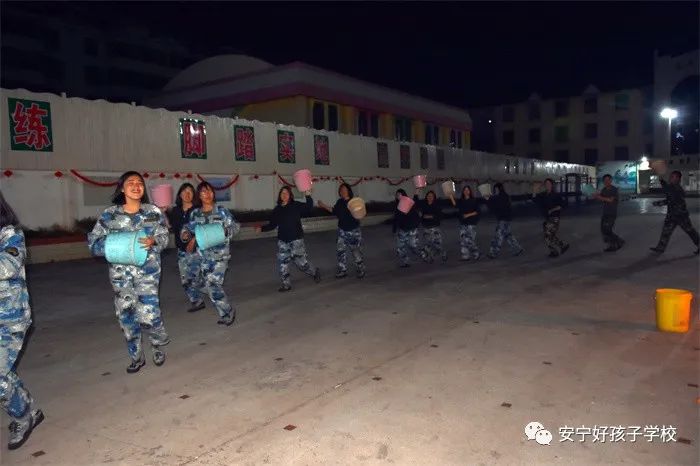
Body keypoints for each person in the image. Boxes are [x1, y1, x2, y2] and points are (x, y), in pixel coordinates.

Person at [87, 171, 170, 373]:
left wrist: (154, 241)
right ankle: (136, 356)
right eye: (130, 182)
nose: (136, 186)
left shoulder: (153, 212)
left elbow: (165, 237)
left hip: (148, 274)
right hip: (121, 277)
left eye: (139, 182)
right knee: (127, 316)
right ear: (122, 189)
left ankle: (156, 345)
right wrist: (114, 245)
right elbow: (94, 244)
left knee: (150, 314)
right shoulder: (110, 215)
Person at [0, 190, 44, 449]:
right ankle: (27, 409)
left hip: (9, 319)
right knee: (3, 372)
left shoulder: (10, 234)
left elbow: (7, 265)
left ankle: (23, 416)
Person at [181, 182, 240, 326]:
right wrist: (185, 235)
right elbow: (188, 228)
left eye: (210, 191)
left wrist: (226, 231)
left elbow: (235, 227)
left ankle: (227, 312)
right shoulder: (195, 213)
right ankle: (216, 299)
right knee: (195, 281)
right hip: (202, 255)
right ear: (199, 195)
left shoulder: (221, 211)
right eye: (204, 192)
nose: (208, 194)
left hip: (219, 256)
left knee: (213, 284)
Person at [258, 186, 321, 291]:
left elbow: (309, 207)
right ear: (280, 195)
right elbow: (272, 225)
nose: (284, 195)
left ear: (290, 195)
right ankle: (286, 284)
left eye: (286, 193)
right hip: (283, 241)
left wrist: (308, 195)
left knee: (301, 263)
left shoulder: (295, 205)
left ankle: (314, 272)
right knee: (283, 264)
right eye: (282, 193)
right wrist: (261, 228)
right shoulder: (277, 210)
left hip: (296, 239)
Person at [167, 183, 205, 312]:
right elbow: (171, 226)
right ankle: (197, 301)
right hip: (181, 251)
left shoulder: (198, 210)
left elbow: (203, 228)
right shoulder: (175, 211)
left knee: (196, 277)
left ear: (194, 195)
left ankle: (212, 291)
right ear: (180, 194)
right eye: (184, 191)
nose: (187, 194)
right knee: (186, 280)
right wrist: (163, 211)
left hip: (196, 250)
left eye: (190, 191)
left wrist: (194, 240)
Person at [318, 183, 366, 279]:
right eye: (341, 190)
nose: (343, 191)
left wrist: (358, 209)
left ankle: (361, 268)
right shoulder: (339, 202)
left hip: (353, 230)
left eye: (344, 190)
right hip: (342, 231)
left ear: (349, 191)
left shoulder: (353, 202)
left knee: (355, 251)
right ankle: (342, 270)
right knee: (340, 251)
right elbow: (334, 211)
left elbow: (360, 214)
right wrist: (323, 205)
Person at [650, 169, 699, 255]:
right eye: (671, 176)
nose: (670, 178)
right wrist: (661, 180)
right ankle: (660, 248)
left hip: (681, 216)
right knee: (666, 231)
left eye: (672, 177)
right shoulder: (672, 187)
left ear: (677, 178)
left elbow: (670, 199)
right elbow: (667, 189)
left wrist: (658, 203)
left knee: (690, 231)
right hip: (672, 215)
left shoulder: (677, 189)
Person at [532, 178, 570, 258]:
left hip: (554, 218)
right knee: (549, 236)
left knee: (547, 235)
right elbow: (535, 199)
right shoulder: (543, 195)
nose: (547, 185)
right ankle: (561, 246)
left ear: (552, 185)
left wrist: (552, 210)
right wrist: (535, 190)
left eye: (549, 184)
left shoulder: (556, 195)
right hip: (547, 218)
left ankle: (556, 250)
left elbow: (563, 205)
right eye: (546, 184)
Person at [485, 183, 523, 258]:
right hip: (507, 219)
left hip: (503, 219)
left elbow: (494, 207)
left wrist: (488, 200)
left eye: (495, 190)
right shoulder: (505, 196)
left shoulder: (500, 197)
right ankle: (517, 249)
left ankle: (493, 253)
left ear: (498, 189)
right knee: (508, 235)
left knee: (498, 236)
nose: (494, 191)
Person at [393, 188, 429, 267]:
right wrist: (394, 229)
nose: (398, 196)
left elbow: (415, 201)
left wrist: (417, 191)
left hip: (412, 228)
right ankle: (405, 262)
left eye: (400, 194)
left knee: (413, 246)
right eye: (397, 195)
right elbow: (396, 218)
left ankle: (424, 254)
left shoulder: (408, 203)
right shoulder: (397, 205)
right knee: (400, 247)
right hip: (402, 229)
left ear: (404, 195)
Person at [449, 185, 481, 261]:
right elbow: (455, 205)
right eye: (465, 190)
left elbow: (478, 211)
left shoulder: (473, 200)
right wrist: (450, 196)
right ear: (463, 192)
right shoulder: (461, 201)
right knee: (463, 240)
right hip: (463, 223)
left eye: (467, 190)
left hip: (471, 223)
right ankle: (465, 256)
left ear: (470, 191)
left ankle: (476, 252)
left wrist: (468, 215)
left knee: (469, 240)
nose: (466, 191)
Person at [594, 174, 625, 252]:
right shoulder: (604, 189)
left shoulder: (614, 189)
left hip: (612, 213)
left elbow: (610, 200)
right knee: (603, 230)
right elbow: (601, 199)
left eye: (608, 180)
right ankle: (619, 241)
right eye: (605, 180)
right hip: (605, 212)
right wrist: (595, 196)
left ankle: (614, 245)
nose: (606, 182)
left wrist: (599, 197)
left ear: (611, 180)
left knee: (607, 230)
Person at [416, 189, 448, 262]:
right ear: (426, 197)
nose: (430, 197)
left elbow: (440, 216)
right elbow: (416, 203)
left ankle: (443, 254)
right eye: (428, 196)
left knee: (437, 244)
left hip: (435, 228)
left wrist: (431, 216)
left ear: (434, 197)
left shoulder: (436, 205)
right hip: (426, 227)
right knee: (428, 244)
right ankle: (429, 258)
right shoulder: (424, 205)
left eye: (431, 196)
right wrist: (416, 192)